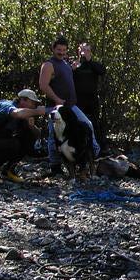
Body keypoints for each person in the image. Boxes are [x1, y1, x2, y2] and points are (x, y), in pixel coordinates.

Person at [39, 36, 100, 176]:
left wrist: (74, 66)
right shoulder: (48, 64)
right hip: (56, 106)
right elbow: (43, 85)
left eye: (64, 50)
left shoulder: (64, 63)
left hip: (70, 105)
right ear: (53, 49)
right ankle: (55, 166)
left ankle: (91, 156)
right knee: (54, 135)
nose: (61, 52)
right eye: (59, 50)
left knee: (86, 125)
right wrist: (56, 99)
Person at [0, 90, 49, 183]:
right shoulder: (5, 105)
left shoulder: (24, 115)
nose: (34, 106)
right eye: (33, 103)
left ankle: (8, 170)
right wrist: (37, 111)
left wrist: (32, 127)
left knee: (28, 136)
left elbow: (37, 134)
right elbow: (17, 113)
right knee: (13, 144)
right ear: (23, 100)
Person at [72, 42, 107, 152]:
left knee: (95, 123)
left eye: (87, 50)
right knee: (78, 123)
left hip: (92, 100)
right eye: (83, 50)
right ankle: (79, 148)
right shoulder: (74, 65)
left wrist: (89, 60)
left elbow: (102, 71)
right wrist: (73, 69)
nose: (84, 53)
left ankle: (98, 148)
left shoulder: (93, 65)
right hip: (78, 100)